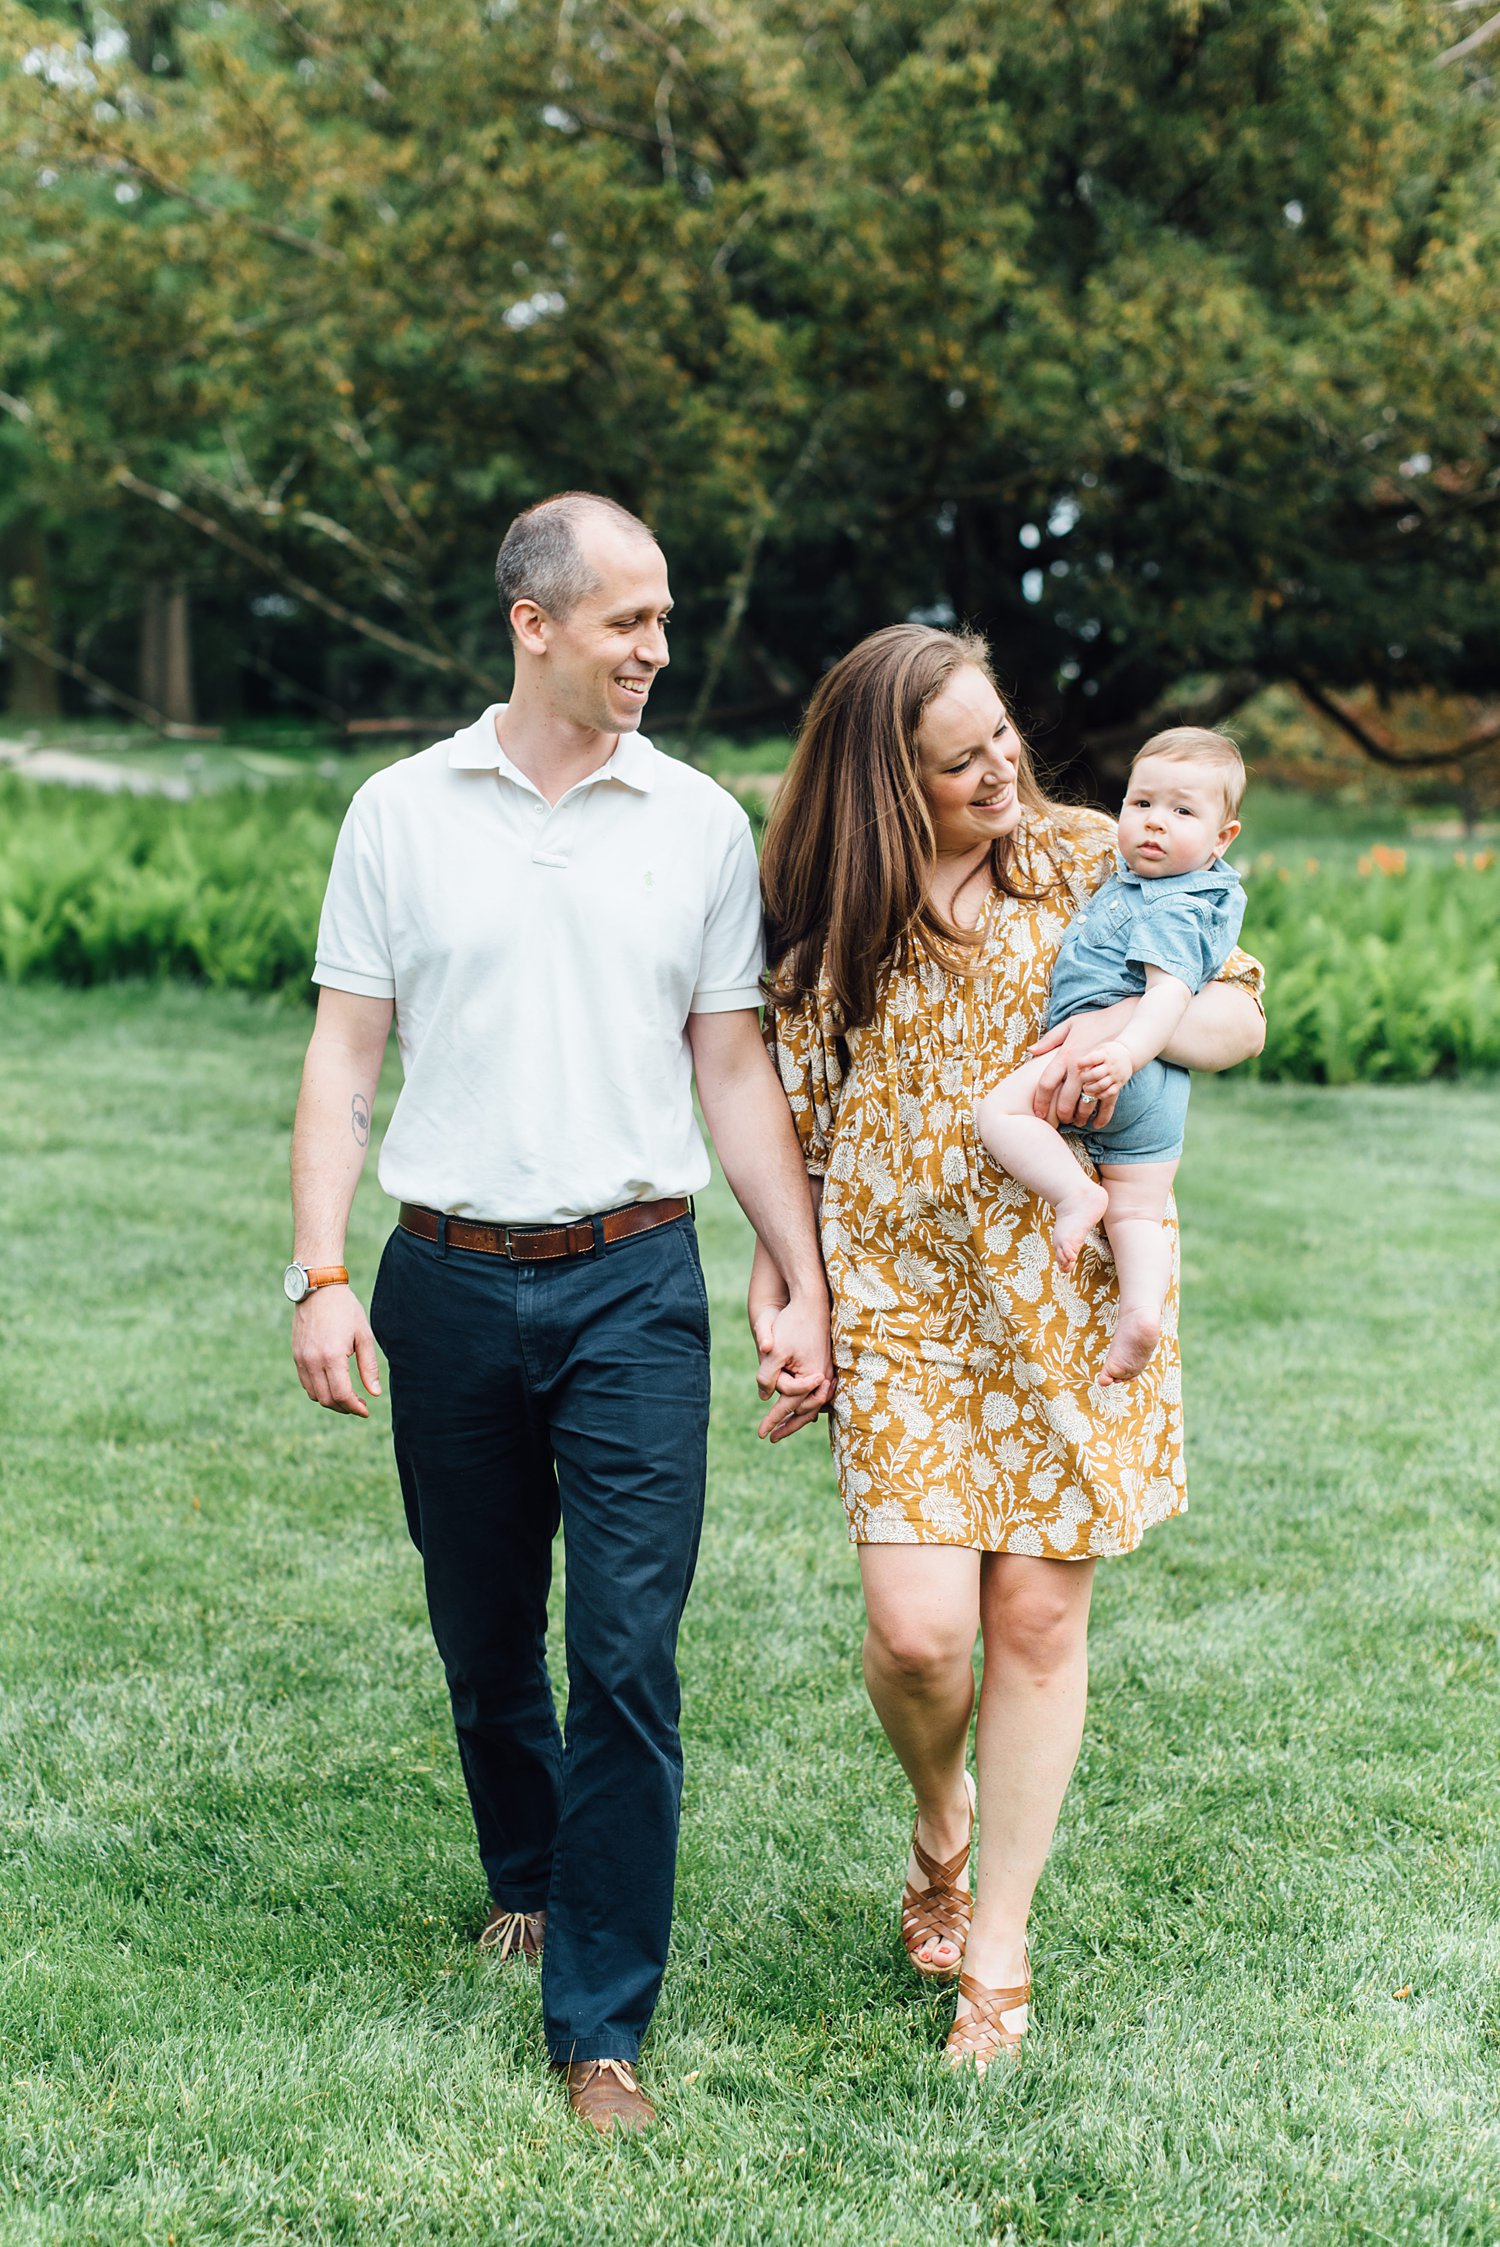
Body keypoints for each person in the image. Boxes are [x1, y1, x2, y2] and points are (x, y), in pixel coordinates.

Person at [287, 492, 831, 2136]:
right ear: (535, 623)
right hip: (442, 1278)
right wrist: (320, 1270)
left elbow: (730, 1060)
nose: (658, 650)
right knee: (480, 1627)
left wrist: (799, 1268)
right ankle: (525, 1866)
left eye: (660, 622)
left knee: (625, 1649)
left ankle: (599, 2018)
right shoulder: (399, 810)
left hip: (634, 1284)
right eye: (631, 622)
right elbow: (344, 1055)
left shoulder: (698, 822)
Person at [754, 626, 1263, 2076]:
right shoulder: (826, 906)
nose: (1004, 768)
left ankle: (1000, 1943)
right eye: (962, 757)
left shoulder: (1090, 855)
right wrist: (786, 1281)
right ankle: (939, 1816)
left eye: (1003, 737)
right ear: (885, 777)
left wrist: (1154, 1033)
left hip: (1065, 1278)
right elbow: (794, 1105)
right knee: (920, 1632)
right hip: (900, 1289)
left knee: (1036, 1621)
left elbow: (1234, 1004)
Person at [974, 727, 1246, 1385]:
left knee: (1000, 1114)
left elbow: (1167, 997)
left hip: (1113, 1062)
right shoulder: (1164, 883)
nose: (1155, 823)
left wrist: (1121, 1051)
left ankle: (1072, 1196)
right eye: (1141, 803)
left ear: (1222, 838)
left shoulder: (1176, 906)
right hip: (1162, 1102)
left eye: (1183, 812)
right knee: (1138, 1213)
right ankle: (1141, 1315)